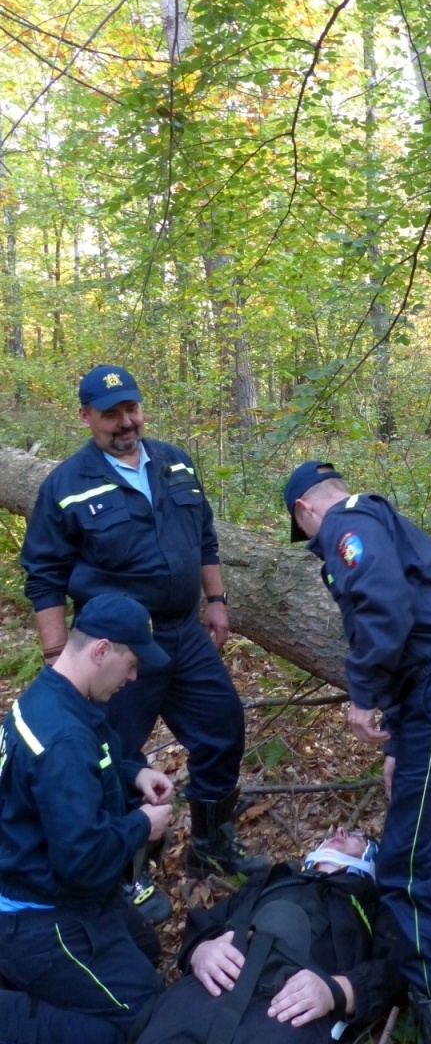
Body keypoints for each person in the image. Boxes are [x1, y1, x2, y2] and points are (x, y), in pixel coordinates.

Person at [19, 363, 267, 927]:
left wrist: (217, 599)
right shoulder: (67, 485)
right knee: (113, 757)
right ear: (85, 417)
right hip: (116, 644)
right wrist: (59, 657)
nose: (126, 422)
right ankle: (129, 871)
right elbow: (45, 574)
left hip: (184, 630)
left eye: (132, 409)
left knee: (223, 726)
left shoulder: (175, 461)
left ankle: (211, 845)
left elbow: (203, 533)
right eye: (111, 415)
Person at [284, 462, 431, 1044]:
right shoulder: (379, 516)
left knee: (407, 870)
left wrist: (363, 697)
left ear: (305, 511)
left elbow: (385, 609)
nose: (319, 552)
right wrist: (402, 746)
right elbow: (414, 625)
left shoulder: (346, 525)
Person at [0, 594, 174, 1044]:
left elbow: (94, 763)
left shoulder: (53, 696)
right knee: (144, 1016)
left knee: (147, 949)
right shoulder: (62, 739)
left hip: (60, 887)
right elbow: (82, 860)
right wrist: (143, 827)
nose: (134, 677)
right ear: (101, 650)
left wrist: (135, 774)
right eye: (131, 662)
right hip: (39, 914)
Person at [134, 826, 406, 1044]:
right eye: (335, 831)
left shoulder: (374, 905)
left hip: (291, 1013)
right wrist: (201, 951)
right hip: (210, 989)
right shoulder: (273, 878)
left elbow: (395, 972)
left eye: (358, 836)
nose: (340, 832)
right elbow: (207, 921)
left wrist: (336, 990)